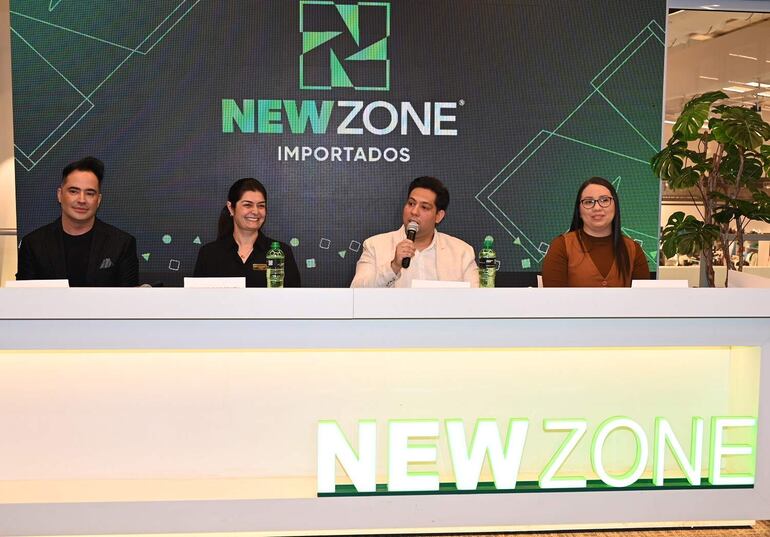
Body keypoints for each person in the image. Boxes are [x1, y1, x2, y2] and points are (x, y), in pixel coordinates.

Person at [16, 156, 138, 287]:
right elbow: (23, 296)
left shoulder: (122, 244)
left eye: (90, 193)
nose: (81, 200)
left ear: (98, 200)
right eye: (73, 191)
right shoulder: (33, 244)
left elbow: (128, 297)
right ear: (60, 195)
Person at [351, 176, 479, 288]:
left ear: (438, 216)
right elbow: (356, 293)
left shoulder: (461, 252)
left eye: (424, 207)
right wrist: (393, 266)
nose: (414, 212)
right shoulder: (375, 246)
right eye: (411, 203)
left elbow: (477, 298)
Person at [541, 177, 649, 287]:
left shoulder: (634, 250)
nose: (597, 208)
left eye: (604, 200)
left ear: (615, 206)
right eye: (588, 202)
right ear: (579, 211)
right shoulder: (561, 246)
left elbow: (643, 296)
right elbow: (553, 297)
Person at [193, 178, 301, 287]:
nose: (255, 211)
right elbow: (198, 296)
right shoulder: (209, 254)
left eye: (261, 206)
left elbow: (294, 296)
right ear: (231, 208)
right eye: (248, 205)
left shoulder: (280, 252)